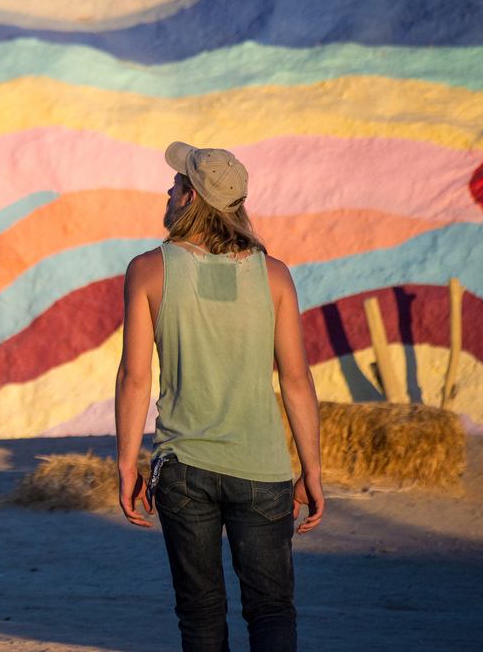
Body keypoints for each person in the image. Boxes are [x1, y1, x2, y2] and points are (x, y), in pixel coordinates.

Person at [114, 141, 325, 651]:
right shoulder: (273, 276)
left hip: (184, 469)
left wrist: (125, 464)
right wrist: (312, 471)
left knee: (201, 614)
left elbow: (135, 378)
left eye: (176, 183)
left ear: (190, 198)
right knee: (271, 611)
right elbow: (296, 380)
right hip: (263, 469)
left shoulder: (148, 269)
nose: (169, 188)